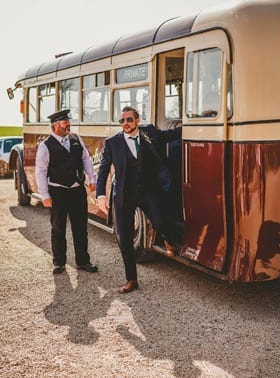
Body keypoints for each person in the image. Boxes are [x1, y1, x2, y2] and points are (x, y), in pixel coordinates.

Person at [96, 106, 182, 294]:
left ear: (137, 120)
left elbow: (171, 135)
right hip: (124, 195)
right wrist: (101, 194)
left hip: (147, 190)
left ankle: (168, 239)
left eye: (129, 120)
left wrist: (195, 123)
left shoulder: (149, 132)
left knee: (160, 221)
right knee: (124, 238)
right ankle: (131, 279)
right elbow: (103, 170)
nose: (125, 124)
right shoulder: (112, 143)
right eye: (122, 121)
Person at [36, 110, 98, 275]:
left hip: (77, 191)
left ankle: (83, 262)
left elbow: (86, 159)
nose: (68, 124)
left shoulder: (76, 139)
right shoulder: (45, 146)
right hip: (57, 192)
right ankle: (59, 263)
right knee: (58, 229)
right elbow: (40, 171)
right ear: (55, 125)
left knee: (80, 228)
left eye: (68, 121)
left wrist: (92, 179)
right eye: (65, 122)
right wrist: (45, 195)